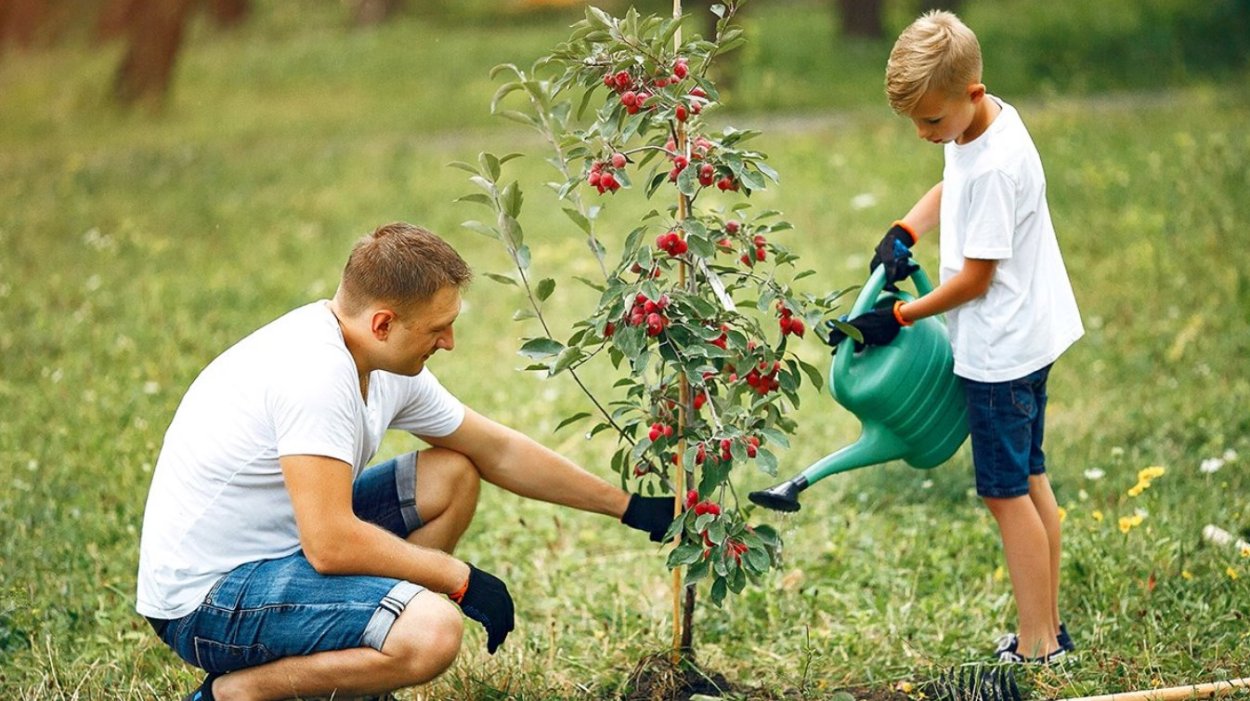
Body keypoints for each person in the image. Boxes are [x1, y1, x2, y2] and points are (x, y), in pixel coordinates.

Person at [136, 222, 676, 701]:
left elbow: (497, 450)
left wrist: (630, 508)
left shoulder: (381, 362)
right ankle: (242, 692)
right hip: (207, 600)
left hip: (281, 554)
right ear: (383, 324)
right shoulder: (314, 376)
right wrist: (458, 578)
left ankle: (355, 664)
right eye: (437, 328)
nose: (450, 342)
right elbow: (329, 544)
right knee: (432, 631)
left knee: (454, 473)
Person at [827, 11, 1084, 664]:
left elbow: (975, 279)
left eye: (932, 122)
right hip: (1027, 334)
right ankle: (1050, 629)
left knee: (1005, 495)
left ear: (970, 94)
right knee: (1030, 478)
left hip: (1000, 353)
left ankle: (1035, 646)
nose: (923, 133)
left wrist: (901, 316)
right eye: (915, 123)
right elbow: (952, 180)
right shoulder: (985, 120)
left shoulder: (997, 166)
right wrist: (906, 229)